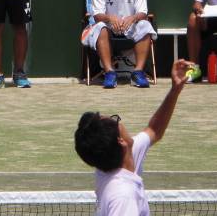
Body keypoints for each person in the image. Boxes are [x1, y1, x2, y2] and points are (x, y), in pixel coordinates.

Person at [74, 59, 193, 216]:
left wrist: (174, 91)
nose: (118, 120)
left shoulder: (116, 160)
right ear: (121, 141)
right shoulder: (123, 196)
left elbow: (154, 130)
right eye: (114, 119)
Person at [81, 0, 157, 89]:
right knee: (100, 28)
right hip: (109, 28)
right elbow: (97, 16)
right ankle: (109, 73)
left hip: (130, 28)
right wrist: (111, 18)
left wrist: (132, 18)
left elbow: (143, 12)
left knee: (145, 25)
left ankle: (138, 72)